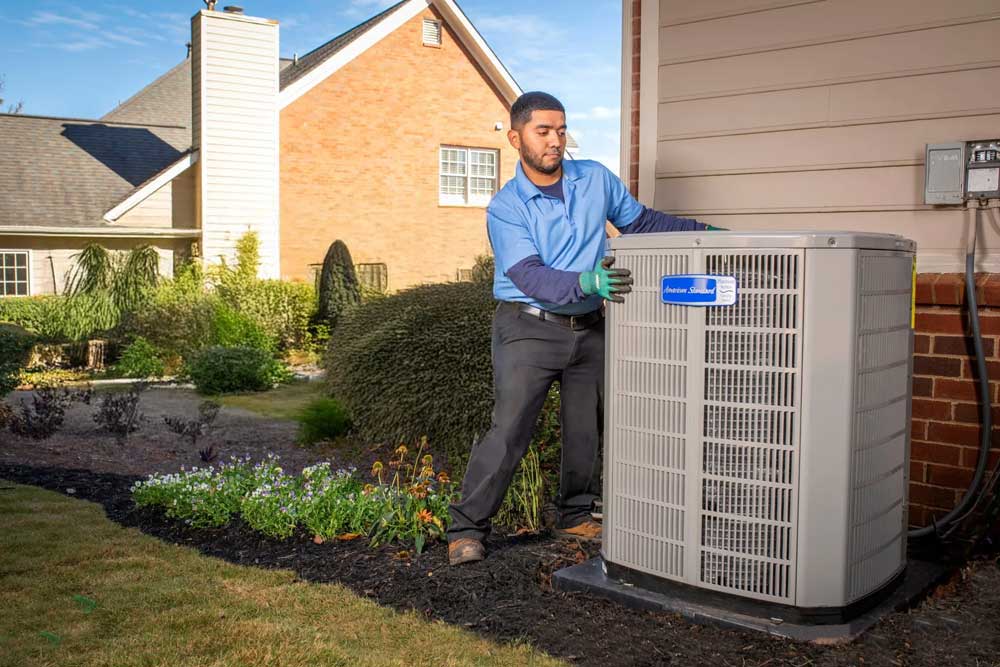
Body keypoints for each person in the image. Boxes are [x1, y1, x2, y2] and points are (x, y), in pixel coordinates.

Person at [447, 91, 721, 565]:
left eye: (560, 130)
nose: (555, 140)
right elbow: (529, 275)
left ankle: (575, 513)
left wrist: (705, 235)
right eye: (542, 131)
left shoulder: (594, 178)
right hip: (528, 327)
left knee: (587, 427)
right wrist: (588, 280)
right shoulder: (507, 206)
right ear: (515, 138)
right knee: (509, 430)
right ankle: (466, 529)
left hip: (591, 326)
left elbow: (641, 223)